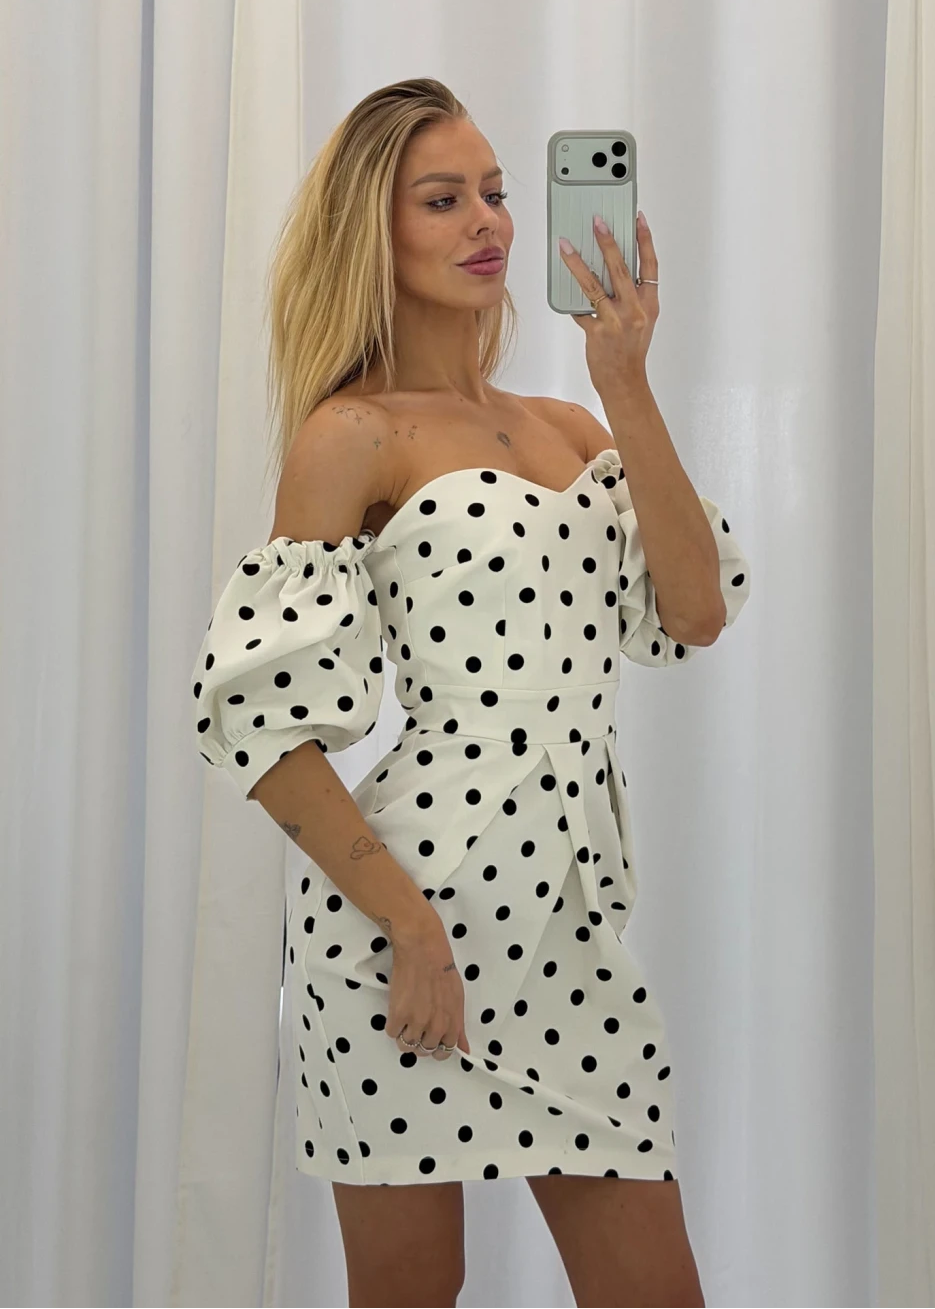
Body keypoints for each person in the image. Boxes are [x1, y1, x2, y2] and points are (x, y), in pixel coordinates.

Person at [191, 77, 748, 1309]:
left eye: (494, 193)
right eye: (441, 200)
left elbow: (695, 611)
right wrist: (408, 927)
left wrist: (626, 378)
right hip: (402, 931)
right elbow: (262, 727)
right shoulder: (353, 435)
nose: (487, 221)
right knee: (412, 1293)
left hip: (568, 932)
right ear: (373, 233)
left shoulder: (575, 427)